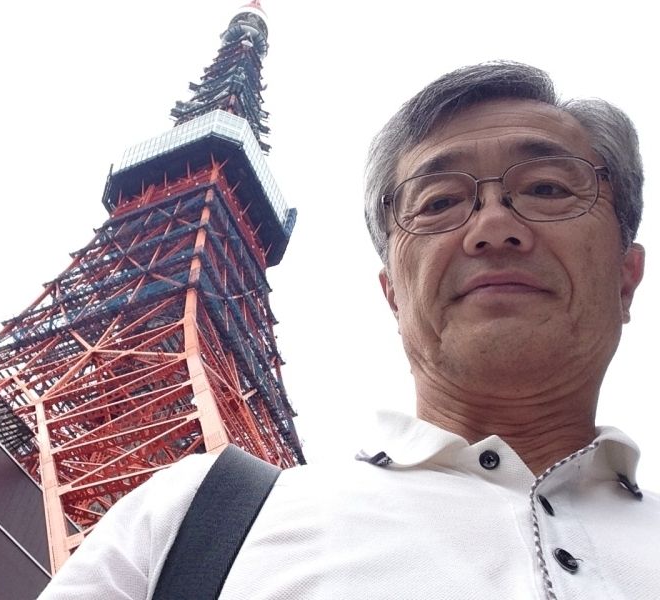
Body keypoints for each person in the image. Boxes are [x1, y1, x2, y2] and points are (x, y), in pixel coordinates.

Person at [38, 61, 658, 599]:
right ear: (391, 293)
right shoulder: (198, 518)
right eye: (439, 202)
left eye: (546, 188)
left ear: (627, 276)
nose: (493, 227)